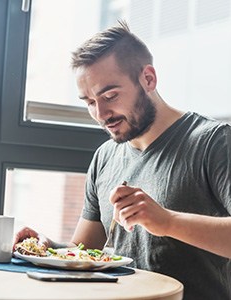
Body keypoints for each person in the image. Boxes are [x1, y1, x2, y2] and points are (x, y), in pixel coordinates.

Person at [14, 21, 231, 299]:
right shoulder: (105, 157)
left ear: (148, 79)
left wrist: (167, 221)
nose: (101, 114)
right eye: (90, 102)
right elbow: (84, 251)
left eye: (110, 95)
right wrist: (48, 248)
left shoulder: (214, 142)